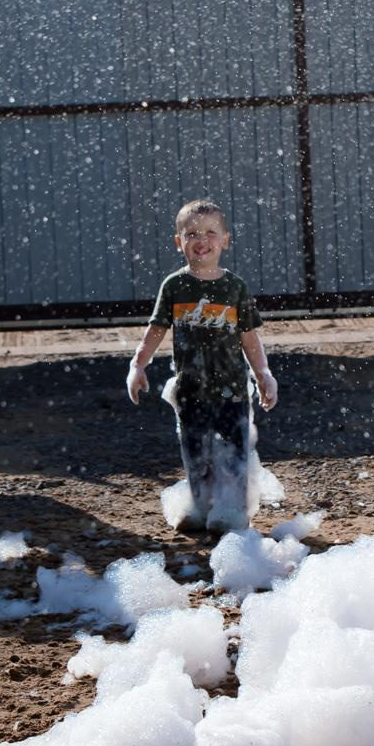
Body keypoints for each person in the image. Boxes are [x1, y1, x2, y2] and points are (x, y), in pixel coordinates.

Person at [126, 200, 278, 534]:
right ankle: (200, 505)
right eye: (192, 233)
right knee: (195, 452)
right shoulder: (174, 286)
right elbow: (156, 330)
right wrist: (138, 366)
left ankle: (232, 511)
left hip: (233, 389)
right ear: (178, 242)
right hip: (190, 389)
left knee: (234, 452)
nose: (201, 239)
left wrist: (263, 373)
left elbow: (249, 337)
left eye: (211, 232)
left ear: (225, 240)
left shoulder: (234, 287)